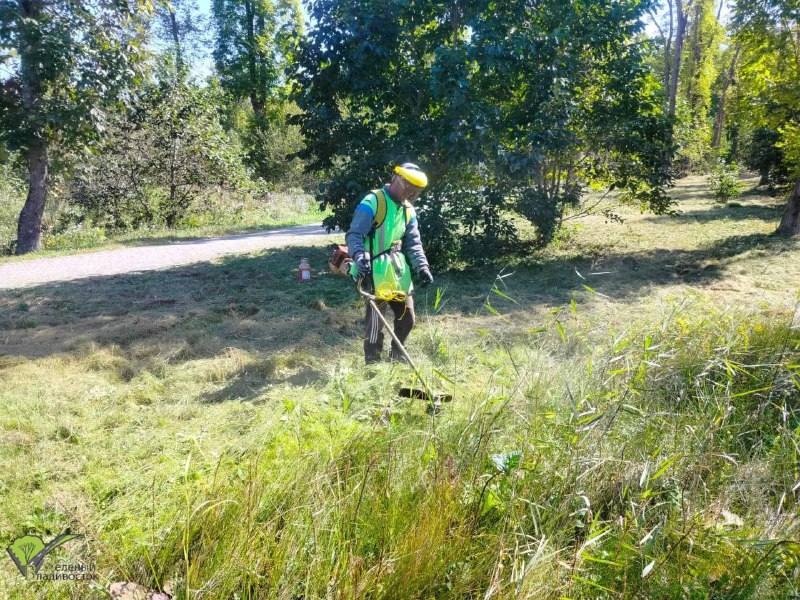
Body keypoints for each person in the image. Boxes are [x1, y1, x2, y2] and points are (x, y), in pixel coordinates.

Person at [345, 162, 434, 364]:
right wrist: (359, 256)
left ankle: (397, 355)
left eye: (416, 191)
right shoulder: (373, 202)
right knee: (376, 323)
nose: (411, 193)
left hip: (397, 271)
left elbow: (413, 242)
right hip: (372, 270)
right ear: (396, 178)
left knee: (408, 318)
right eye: (408, 187)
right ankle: (373, 363)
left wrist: (422, 266)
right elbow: (354, 234)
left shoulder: (408, 210)